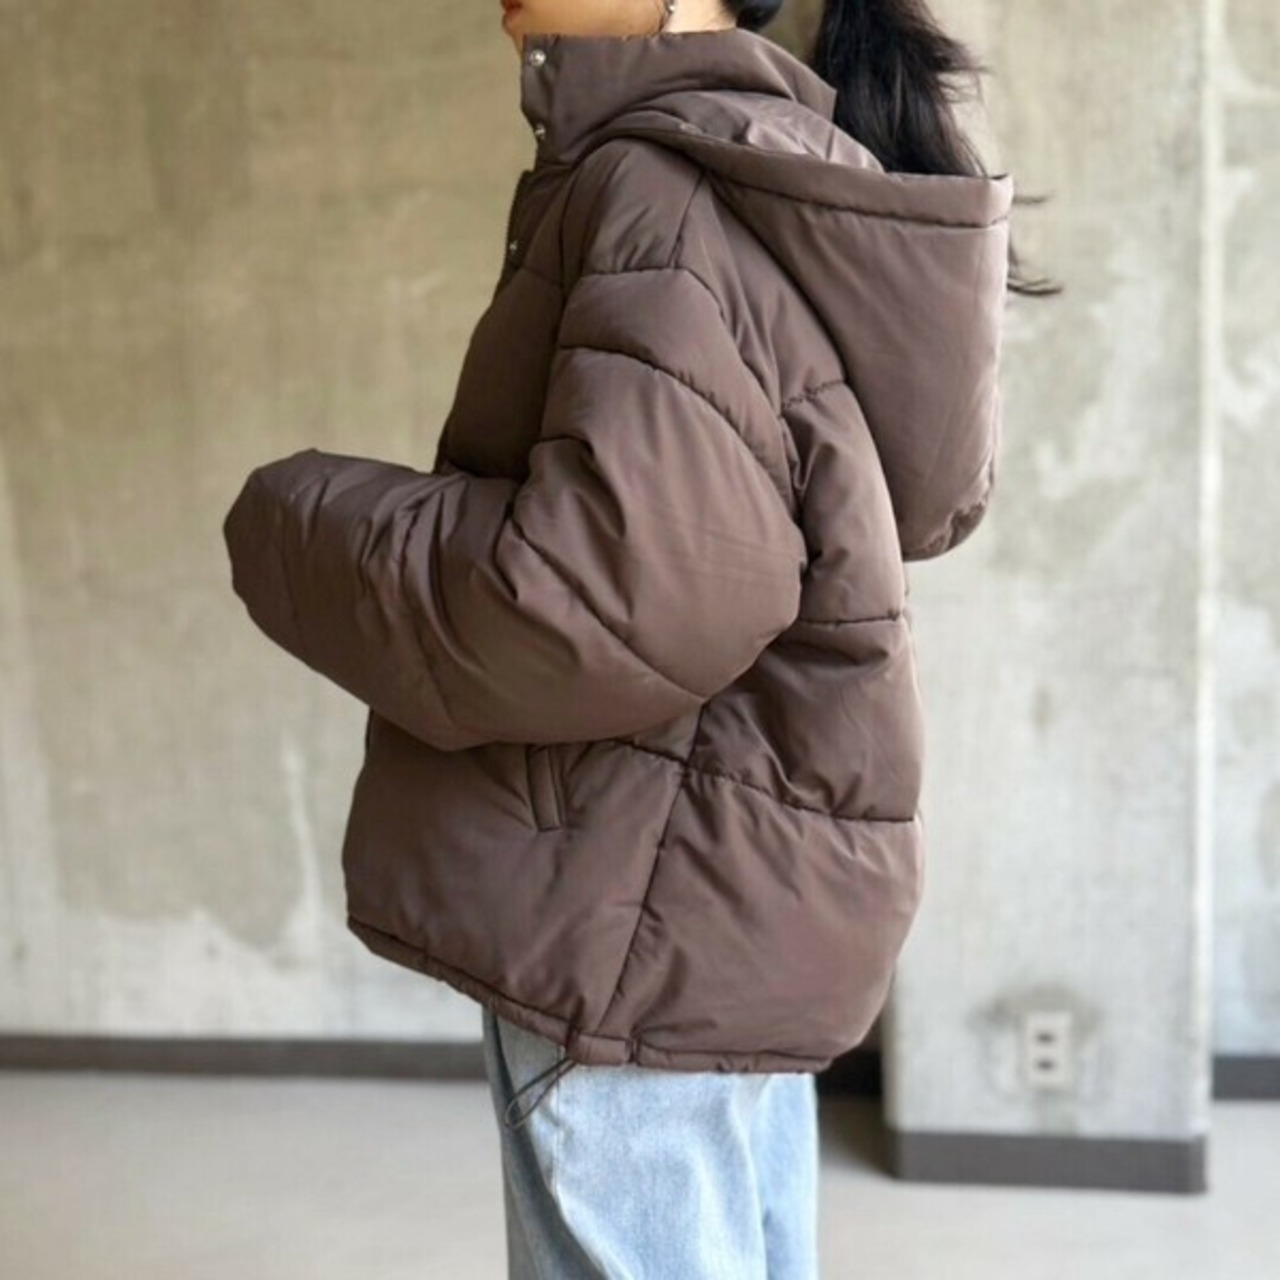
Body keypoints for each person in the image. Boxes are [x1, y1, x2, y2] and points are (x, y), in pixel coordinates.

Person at [224, 0, 1039, 1275]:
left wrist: (297, 524)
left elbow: (619, 588)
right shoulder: (756, 166)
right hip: (716, 890)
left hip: (631, 905)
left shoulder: (663, 188)